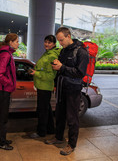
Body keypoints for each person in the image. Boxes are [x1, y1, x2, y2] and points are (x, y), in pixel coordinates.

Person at [45, 27, 89, 156]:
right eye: (58, 41)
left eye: (61, 40)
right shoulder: (64, 51)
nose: (60, 43)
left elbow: (80, 73)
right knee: (59, 115)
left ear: (68, 36)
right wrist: (58, 64)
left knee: (72, 118)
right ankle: (58, 138)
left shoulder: (81, 52)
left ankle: (71, 145)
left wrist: (62, 67)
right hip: (61, 87)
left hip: (73, 90)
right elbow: (62, 67)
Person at [29, 35, 61, 138]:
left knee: (42, 111)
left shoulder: (52, 56)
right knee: (47, 109)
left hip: (45, 87)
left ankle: (41, 132)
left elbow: (51, 75)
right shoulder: (47, 53)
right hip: (42, 86)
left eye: (49, 42)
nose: (46, 44)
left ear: (54, 44)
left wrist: (36, 73)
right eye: (45, 42)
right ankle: (51, 129)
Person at [0, 33, 19, 150]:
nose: (18, 43)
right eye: (16, 41)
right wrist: (9, 83)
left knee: (3, 117)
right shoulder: (6, 55)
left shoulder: (8, 53)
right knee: (2, 118)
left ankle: (2, 139)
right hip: (3, 90)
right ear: (11, 42)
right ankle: (1, 142)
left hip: (4, 90)